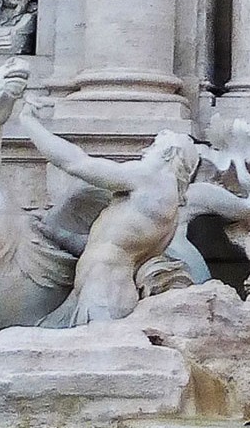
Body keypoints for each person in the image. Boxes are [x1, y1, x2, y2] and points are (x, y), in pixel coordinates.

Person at [15, 118, 200, 325]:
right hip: (101, 290)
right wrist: (58, 234)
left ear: (168, 153)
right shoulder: (161, 199)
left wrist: (29, 123)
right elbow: (108, 245)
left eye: (154, 147)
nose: (144, 152)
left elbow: (76, 163)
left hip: (105, 292)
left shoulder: (153, 178)